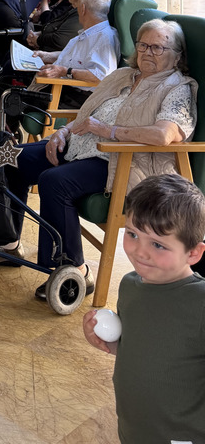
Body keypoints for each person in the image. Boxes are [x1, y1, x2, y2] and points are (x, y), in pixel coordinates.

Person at [0, 20, 197, 300]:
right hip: (77, 146)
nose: (148, 52)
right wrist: (62, 132)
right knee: (9, 157)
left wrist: (108, 131)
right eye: (143, 45)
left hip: (119, 161)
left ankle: (74, 270)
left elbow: (164, 135)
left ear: (177, 55)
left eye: (158, 47)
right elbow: (87, 113)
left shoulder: (177, 88)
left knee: (54, 181)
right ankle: (7, 242)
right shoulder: (122, 75)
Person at [83, 174, 205, 444]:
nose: (140, 251)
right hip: (135, 428)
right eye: (133, 234)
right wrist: (107, 342)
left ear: (193, 253)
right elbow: (140, 347)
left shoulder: (200, 302)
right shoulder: (130, 286)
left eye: (158, 244)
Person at [36, 0, 120, 87]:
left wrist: (65, 71)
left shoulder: (104, 38)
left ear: (83, 9)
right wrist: (46, 55)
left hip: (67, 91)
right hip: (57, 84)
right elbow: (74, 58)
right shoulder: (91, 32)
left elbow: (102, 76)